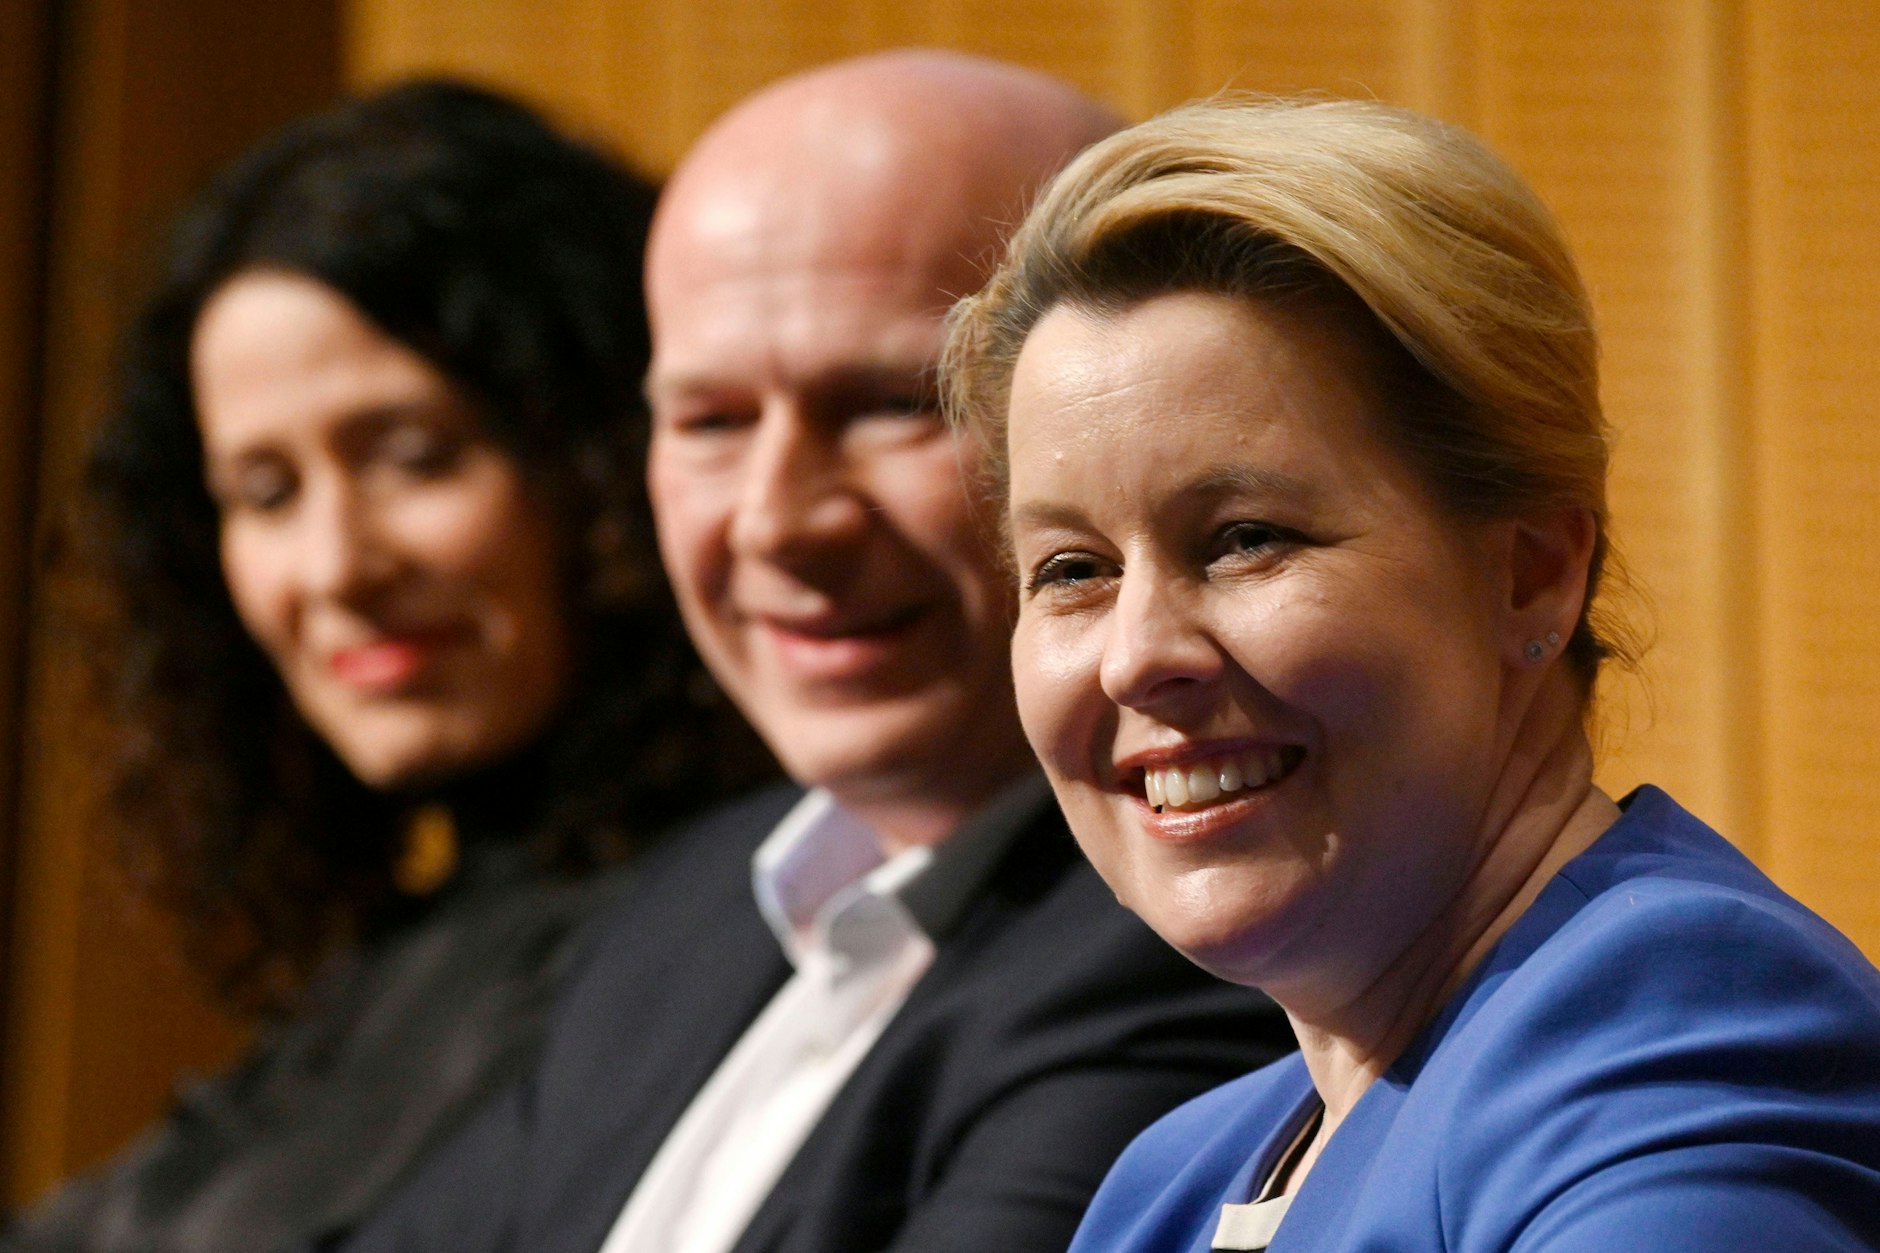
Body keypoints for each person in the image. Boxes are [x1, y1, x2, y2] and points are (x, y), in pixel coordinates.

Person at [335, 51, 1296, 1253]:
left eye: (895, 398)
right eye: (711, 420)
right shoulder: (683, 905)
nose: (778, 518)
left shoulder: (1206, 943)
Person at [943, 94, 1880, 1250]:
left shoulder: (1681, 1030)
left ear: (1530, 573)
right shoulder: (1168, 1183)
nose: (1138, 654)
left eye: (1244, 537)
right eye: (1072, 568)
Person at [3, 79, 769, 1253]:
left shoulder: (761, 909)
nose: (334, 567)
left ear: (610, 457)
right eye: (264, 492)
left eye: (414, 458)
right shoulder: (397, 957)